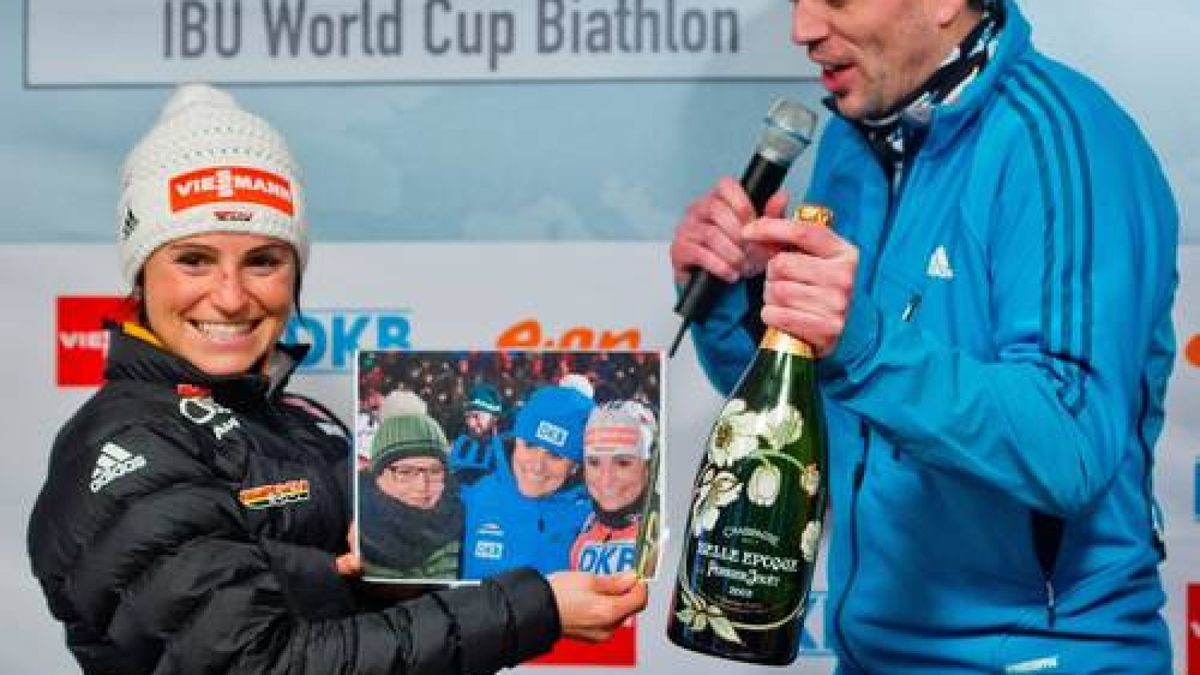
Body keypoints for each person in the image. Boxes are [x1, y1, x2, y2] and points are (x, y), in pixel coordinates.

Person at [27, 83, 646, 675]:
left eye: (263, 261)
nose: (231, 295)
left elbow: (337, 610)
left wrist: (389, 557)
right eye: (194, 259)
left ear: (295, 273)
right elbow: (256, 664)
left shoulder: (293, 421)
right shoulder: (130, 445)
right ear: (140, 276)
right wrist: (534, 610)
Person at [670, 0, 1177, 672]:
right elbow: (834, 425)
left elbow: (1069, 445)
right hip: (873, 655)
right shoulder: (855, 145)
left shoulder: (1060, 138)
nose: (803, 28)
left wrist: (863, 342)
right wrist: (735, 304)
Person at [460, 384, 594, 579]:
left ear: (575, 466)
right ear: (515, 442)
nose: (537, 465)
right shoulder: (473, 496)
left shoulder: (591, 519)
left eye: (555, 455)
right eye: (529, 445)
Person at [358, 393, 462, 580]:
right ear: (377, 475)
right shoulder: (354, 532)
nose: (422, 485)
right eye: (405, 472)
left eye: (434, 471)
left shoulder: (462, 522)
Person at [570, 400, 658, 577]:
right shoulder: (584, 525)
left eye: (623, 463)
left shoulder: (663, 534)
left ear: (649, 467)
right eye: (594, 462)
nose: (606, 479)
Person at [447, 382, 504, 485]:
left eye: (477, 416)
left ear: (494, 419)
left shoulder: (505, 449)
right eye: (468, 417)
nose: (471, 423)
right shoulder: (460, 445)